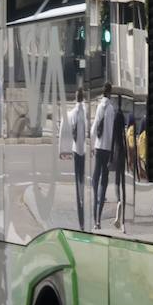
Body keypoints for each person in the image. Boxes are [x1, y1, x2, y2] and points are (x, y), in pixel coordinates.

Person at [57, 88, 88, 230]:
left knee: (78, 178)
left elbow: (65, 125)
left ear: (76, 98)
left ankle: (79, 201)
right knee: (82, 176)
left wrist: (62, 149)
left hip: (76, 150)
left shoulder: (73, 113)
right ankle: (82, 197)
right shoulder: (85, 111)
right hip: (84, 150)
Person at [90, 84, 116, 229]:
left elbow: (94, 126)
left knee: (96, 175)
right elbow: (111, 132)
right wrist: (112, 150)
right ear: (110, 93)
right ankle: (99, 216)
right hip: (107, 148)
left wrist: (93, 144)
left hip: (99, 146)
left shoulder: (100, 106)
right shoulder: (111, 109)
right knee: (104, 178)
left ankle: (95, 214)